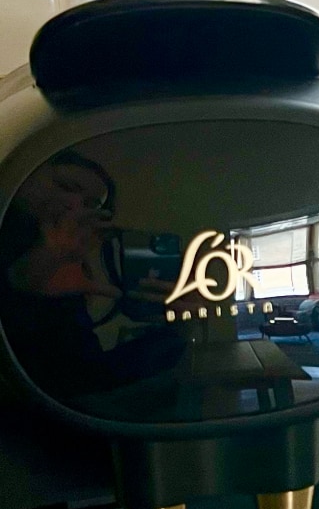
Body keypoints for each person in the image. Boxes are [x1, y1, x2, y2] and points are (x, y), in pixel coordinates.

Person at [0, 151, 183, 401]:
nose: (74, 205)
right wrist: (28, 275)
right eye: (66, 186)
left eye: (91, 204)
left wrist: (181, 329)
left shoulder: (70, 275)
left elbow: (80, 376)